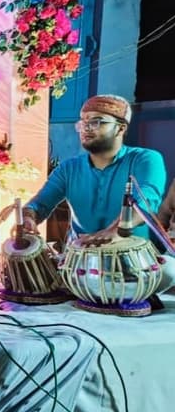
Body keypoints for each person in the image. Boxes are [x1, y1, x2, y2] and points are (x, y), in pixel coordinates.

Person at [22, 93, 175, 291]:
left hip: (133, 266)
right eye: (83, 122)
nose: (86, 127)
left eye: (97, 121)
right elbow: (39, 204)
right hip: (79, 265)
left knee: (170, 271)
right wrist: (28, 218)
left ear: (121, 128)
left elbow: (147, 201)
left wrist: (116, 230)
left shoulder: (145, 159)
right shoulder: (69, 168)